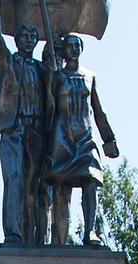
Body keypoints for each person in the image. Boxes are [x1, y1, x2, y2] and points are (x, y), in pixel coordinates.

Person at [0, 0, 49, 245]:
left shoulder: (44, 70)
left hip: (38, 131)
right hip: (13, 130)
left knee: (37, 187)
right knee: (14, 178)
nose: (29, 39)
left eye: (34, 35)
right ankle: (13, 233)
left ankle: (37, 238)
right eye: (25, 35)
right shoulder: (7, 63)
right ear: (17, 39)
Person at [43, 33, 118, 246]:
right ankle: (59, 238)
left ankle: (90, 231)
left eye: (77, 45)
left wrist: (109, 139)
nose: (74, 49)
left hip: (85, 135)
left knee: (90, 181)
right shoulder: (56, 77)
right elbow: (48, 108)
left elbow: (99, 111)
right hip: (62, 136)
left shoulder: (90, 76)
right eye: (70, 45)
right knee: (61, 187)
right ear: (64, 50)